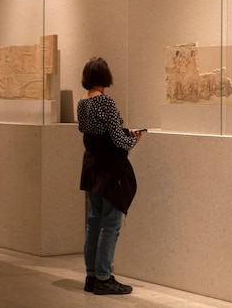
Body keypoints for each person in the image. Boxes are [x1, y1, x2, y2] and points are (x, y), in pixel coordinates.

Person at [77, 57, 143, 295]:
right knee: (111, 224)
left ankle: (92, 276)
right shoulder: (105, 102)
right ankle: (104, 277)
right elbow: (117, 139)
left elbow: (94, 134)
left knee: (94, 221)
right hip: (109, 170)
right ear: (105, 76)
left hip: (92, 167)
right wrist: (133, 139)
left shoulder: (82, 103)